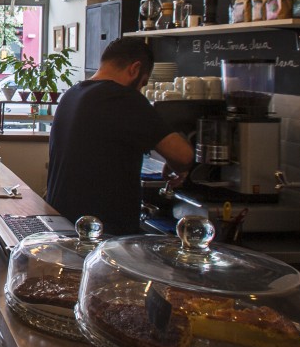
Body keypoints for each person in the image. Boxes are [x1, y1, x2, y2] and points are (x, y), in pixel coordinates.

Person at [46, 38, 194, 235]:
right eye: (142, 83)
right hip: (102, 236)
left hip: (64, 226)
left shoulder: (71, 94)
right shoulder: (123, 98)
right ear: (135, 69)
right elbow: (184, 156)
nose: (140, 90)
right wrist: (176, 166)